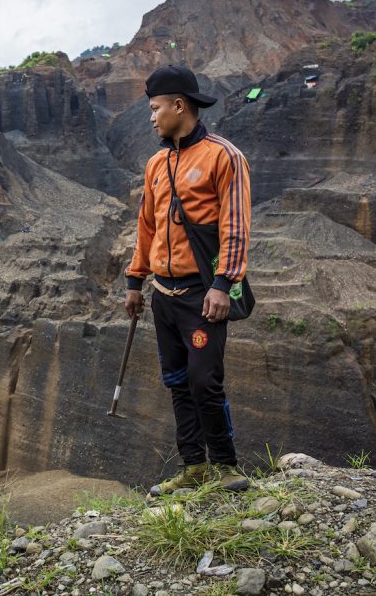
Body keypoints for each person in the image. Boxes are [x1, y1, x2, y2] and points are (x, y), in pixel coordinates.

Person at [124, 65, 251, 495]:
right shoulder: (157, 164)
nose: (152, 117)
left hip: (203, 294)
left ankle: (226, 466)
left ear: (180, 105)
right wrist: (135, 282)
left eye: (156, 108)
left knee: (204, 381)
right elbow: (147, 227)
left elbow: (236, 225)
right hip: (164, 294)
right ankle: (194, 466)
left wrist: (223, 284)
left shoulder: (223, 157)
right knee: (177, 380)